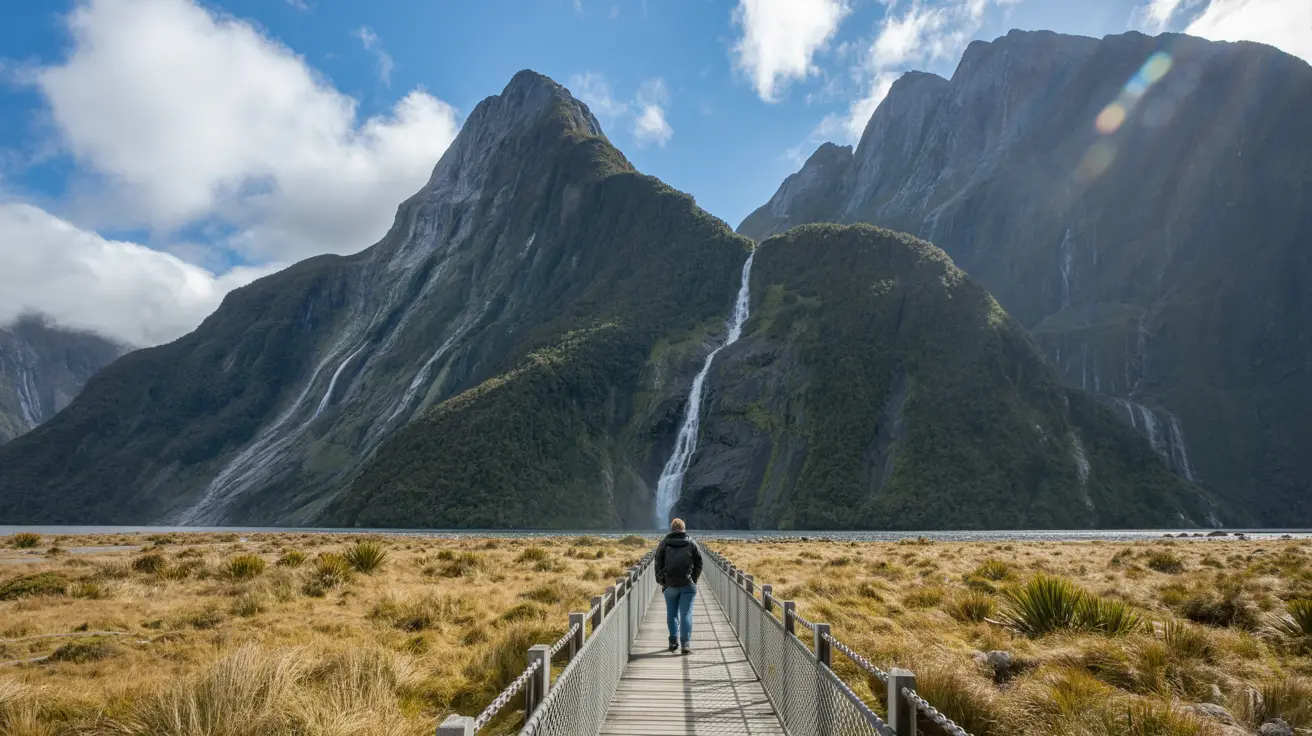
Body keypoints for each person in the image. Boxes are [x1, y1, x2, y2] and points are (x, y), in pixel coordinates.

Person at [655, 517, 703, 654]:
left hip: (670, 585)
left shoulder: (664, 543)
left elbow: (657, 564)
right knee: (686, 613)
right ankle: (686, 644)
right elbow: (699, 564)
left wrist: (662, 582)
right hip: (687, 585)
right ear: (683, 529)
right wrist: (693, 579)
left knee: (671, 613)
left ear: (671, 529)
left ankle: (672, 641)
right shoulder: (692, 543)